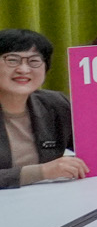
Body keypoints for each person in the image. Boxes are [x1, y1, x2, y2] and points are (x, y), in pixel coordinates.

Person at [0, 30, 89, 187]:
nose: (23, 70)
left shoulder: (55, 104)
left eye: (34, 61)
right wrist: (41, 172)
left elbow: (93, 149)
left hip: (49, 197)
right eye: (12, 60)